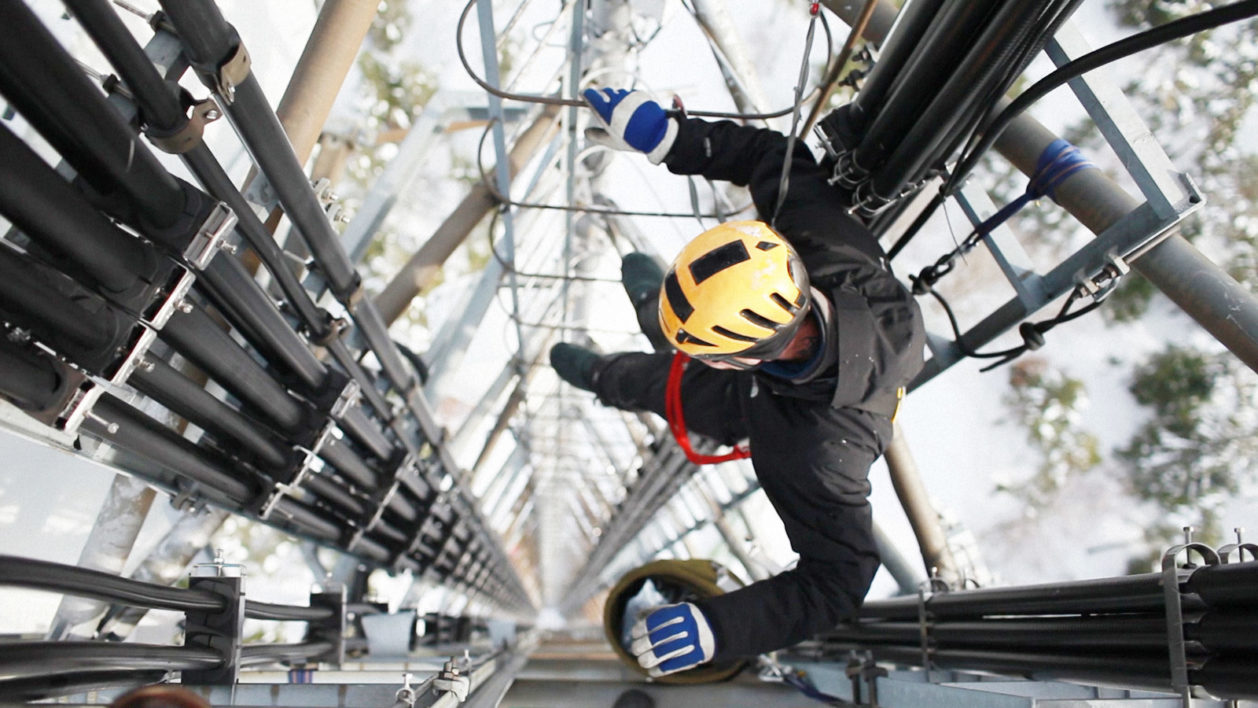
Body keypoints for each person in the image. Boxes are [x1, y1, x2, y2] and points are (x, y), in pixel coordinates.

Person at [550, 87, 926, 677]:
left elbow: (839, 579)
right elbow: (772, 157)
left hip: (765, 413)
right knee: (666, 336)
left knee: (656, 382)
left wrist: (722, 627)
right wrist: (675, 137)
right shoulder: (829, 250)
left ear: (733, 361)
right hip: (775, 383)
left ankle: (606, 372)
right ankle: (654, 304)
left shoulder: (818, 454)